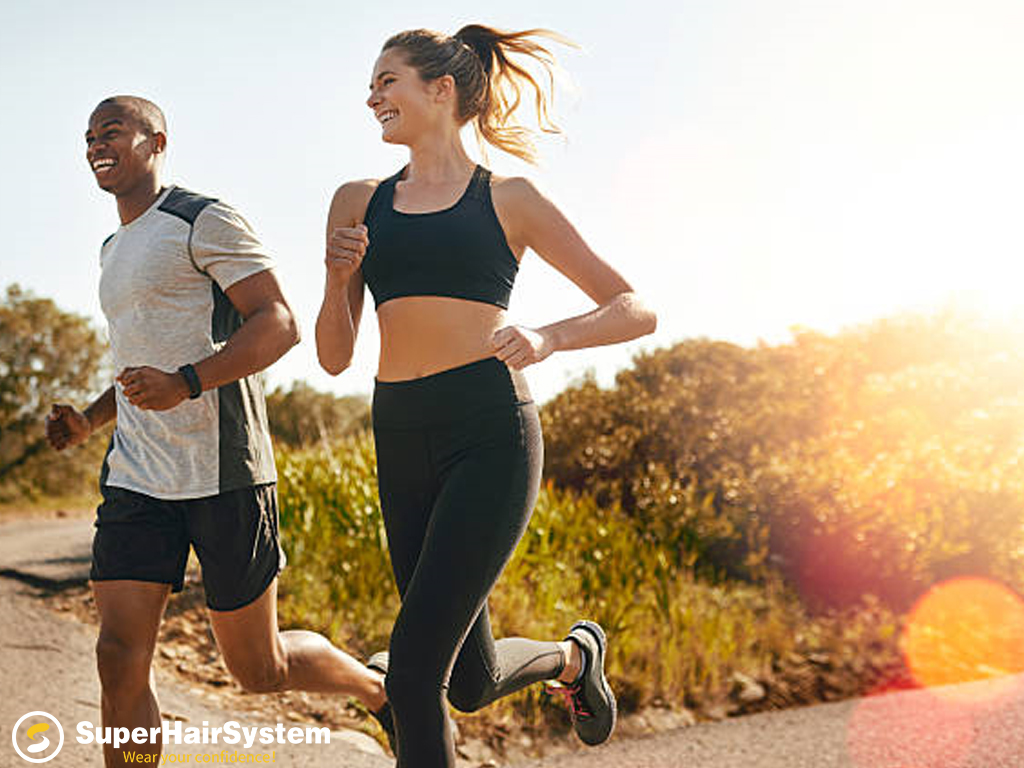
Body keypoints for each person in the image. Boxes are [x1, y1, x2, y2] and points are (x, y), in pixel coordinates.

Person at [315, 25, 657, 767]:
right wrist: (339, 279)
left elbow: (633, 307)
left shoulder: (510, 199)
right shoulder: (356, 200)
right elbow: (335, 356)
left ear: (440, 90)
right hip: (400, 431)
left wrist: (549, 338)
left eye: (387, 80)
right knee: (467, 681)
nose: (372, 96)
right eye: (372, 84)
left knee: (409, 673)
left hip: (489, 431)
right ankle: (574, 658)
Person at [46, 95, 388, 768]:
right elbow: (134, 363)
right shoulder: (113, 247)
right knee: (118, 658)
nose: (95, 144)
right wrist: (89, 419)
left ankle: (379, 691)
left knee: (258, 670)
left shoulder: (202, 219)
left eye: (111, 131)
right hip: (138, 474)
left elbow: (278, 322)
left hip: (224, 472)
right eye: (88, 137)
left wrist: (189, 382)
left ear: (156, 141)